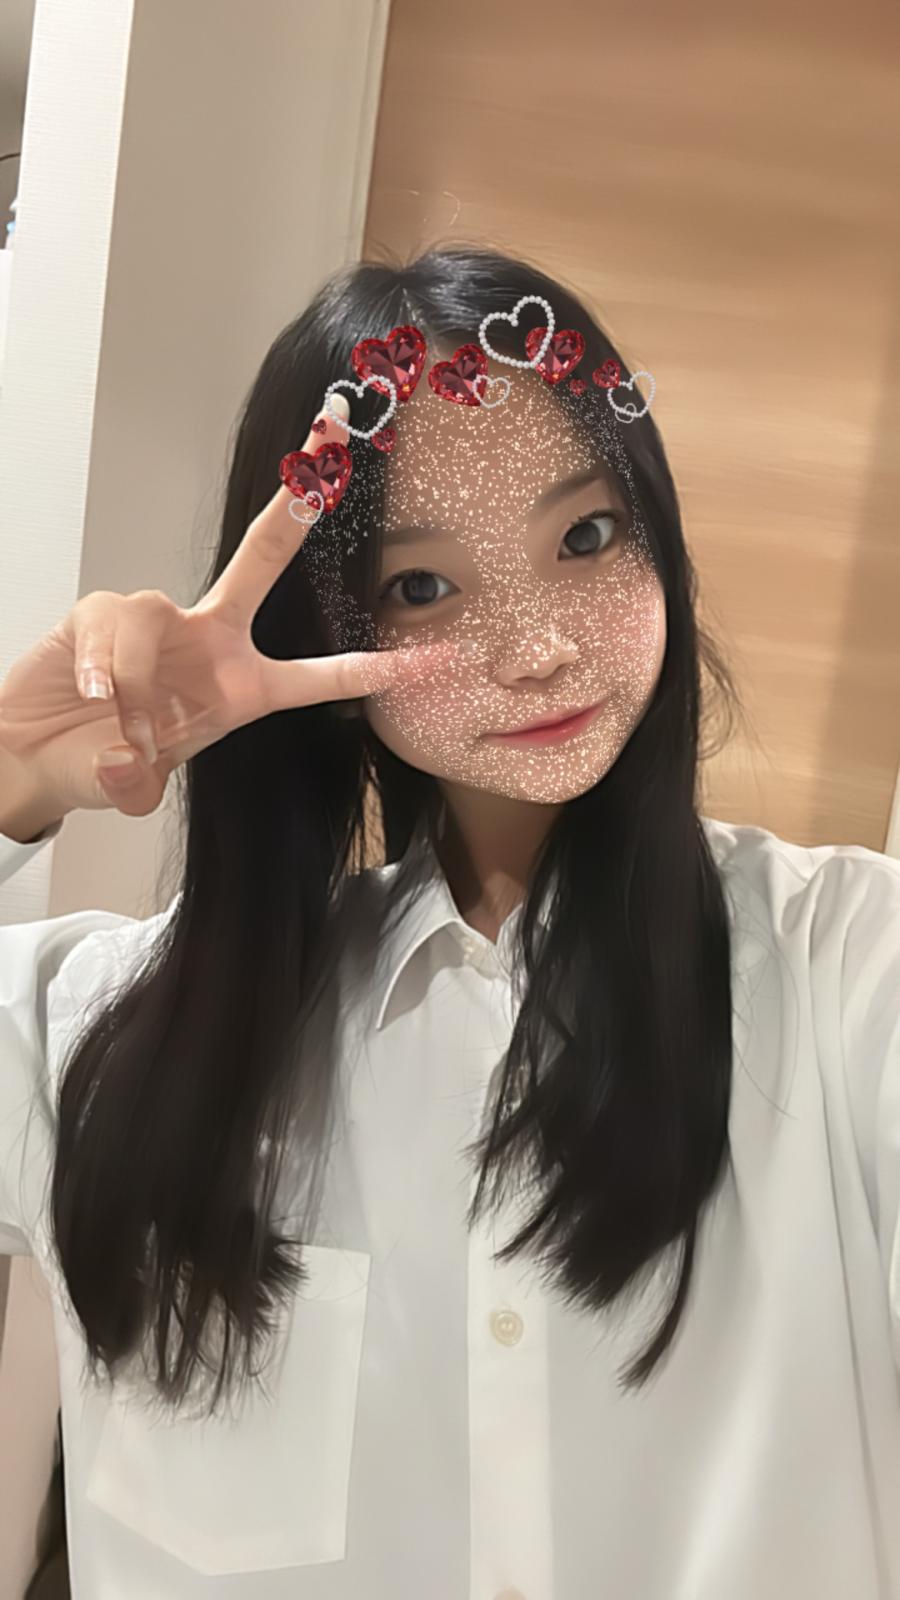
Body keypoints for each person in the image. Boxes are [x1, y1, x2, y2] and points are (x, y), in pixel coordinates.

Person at [0, 243, 898, 1599]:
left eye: (585, 538)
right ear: (320, 631)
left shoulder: (847, 969)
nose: (538, 649)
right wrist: (9, 779)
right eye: (422, 586)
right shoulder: (117, 1036)